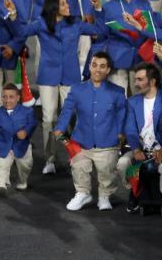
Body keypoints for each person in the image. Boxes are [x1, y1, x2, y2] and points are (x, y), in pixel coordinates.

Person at [4, 0, 106, 175]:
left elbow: (101, 30)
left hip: (70, 76)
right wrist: (13, 15)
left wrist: (98, 9)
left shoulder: (75, 23)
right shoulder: (41, 24)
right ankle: (50, 158)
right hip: (48, 77)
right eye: (64, 4)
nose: (68, 6)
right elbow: (21, 32)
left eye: (67, 3)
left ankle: (76, 155)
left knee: (73, 117)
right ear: (54, 8)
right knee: (49, 118)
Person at [53, 51, 127, 211]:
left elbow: (122, 115)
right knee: (79, 166)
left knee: (107, 172)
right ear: (89, 67)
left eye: (102, 66)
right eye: (94, 65)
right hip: (81, 141)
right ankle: (82, 193)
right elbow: (67, 111)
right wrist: (60, 128)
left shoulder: (118, 92)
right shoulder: (77, 89)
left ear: (108, 70)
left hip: (107, 142)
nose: (97, 69)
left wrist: (121, 133)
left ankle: (104, 196)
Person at [118, 62, 162, 213]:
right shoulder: (132, 102)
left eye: (140, 79)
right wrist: (135, 150)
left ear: (152, 81)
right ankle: (134, 190)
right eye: (135, 79)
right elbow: (130, 130)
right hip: (139, 149)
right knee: (122, 164)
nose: (135, 83)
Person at [99, 0, 162, 93]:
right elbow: (102, 35)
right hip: (117, 59)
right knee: (117, 99)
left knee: (140, 99)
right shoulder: (108, 7)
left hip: (141, 58)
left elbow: (152, 30)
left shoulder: (145, 4)